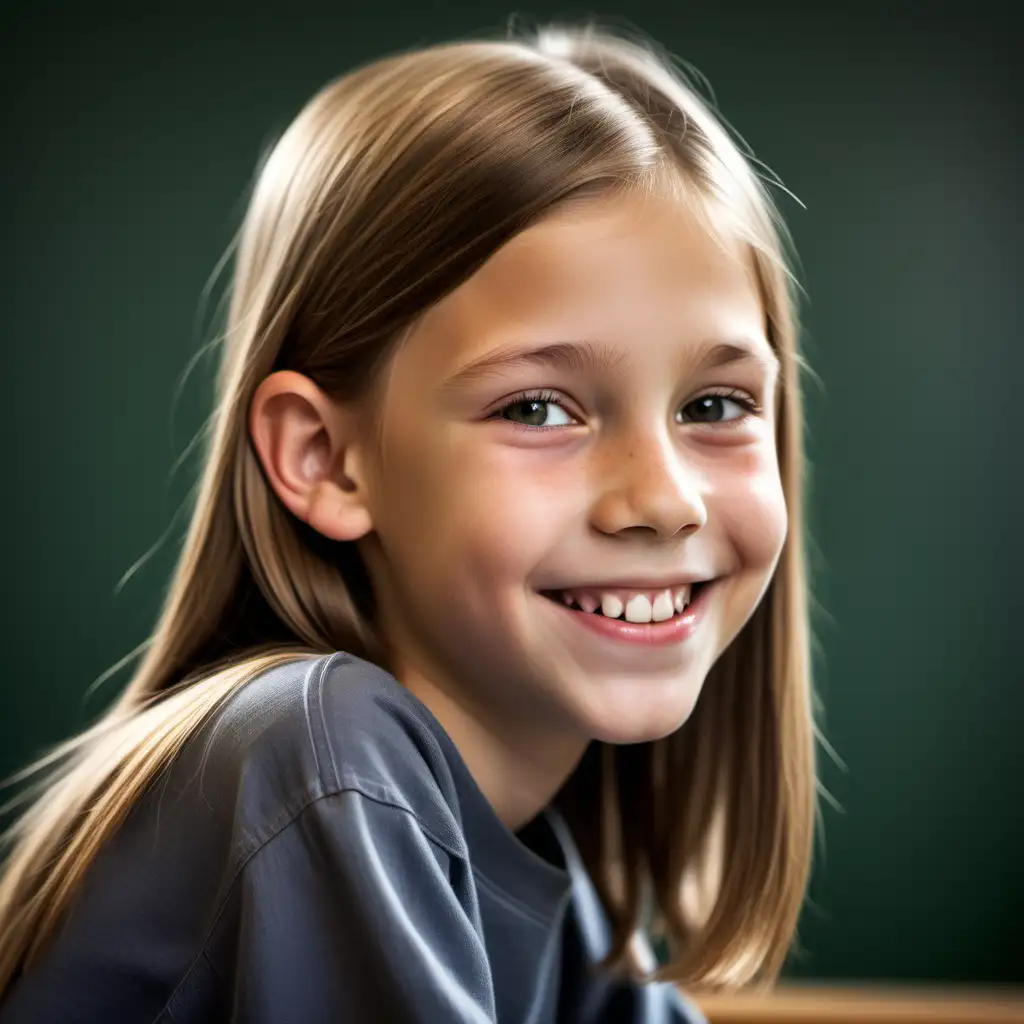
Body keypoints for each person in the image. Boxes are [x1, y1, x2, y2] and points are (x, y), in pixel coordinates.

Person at [0, 22, 815, 1023]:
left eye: (713, 406)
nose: (662, 499)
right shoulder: (326, 757)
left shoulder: (557, 899)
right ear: (324, 459)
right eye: (536, 408)